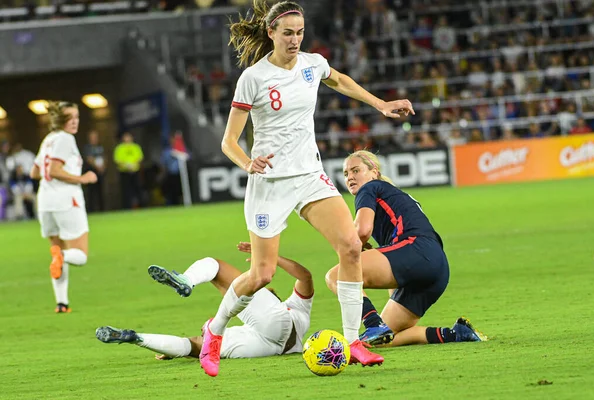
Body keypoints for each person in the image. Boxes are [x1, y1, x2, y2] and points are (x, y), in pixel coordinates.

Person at [200, 0, 415, 377]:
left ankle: (354, 343)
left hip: (309, 176)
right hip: (269, 184)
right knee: (262, 275)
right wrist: (247, 162)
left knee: (351, 246)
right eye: (287, 33)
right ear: (271, 34)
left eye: (300, 32)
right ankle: (214, 332)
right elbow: (228, 142)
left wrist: (380, 104)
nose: (295, 40)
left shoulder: (311, 64)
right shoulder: (254, 77)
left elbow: (339, 80)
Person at [325, 150, 486, 348]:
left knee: (335, 277)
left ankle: (372, 322)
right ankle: (454, 334)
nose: (350, 177)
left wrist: (349, 247)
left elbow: (362, 231)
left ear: (374, 172)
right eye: (346, 173)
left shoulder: (370, 188)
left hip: (415, 249)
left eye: (356, 170)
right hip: (436, 267)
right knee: (379, 341)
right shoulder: (392, 194)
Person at [96, 241, 313, 361]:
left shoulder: (289, 308)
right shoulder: (297, 312)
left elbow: (305, 276)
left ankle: (186, 280)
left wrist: (272, 258)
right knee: (198, 346)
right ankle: (136, 337)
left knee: (216, 266)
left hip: (267, 337)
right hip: (269, 348)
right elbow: (305, 278)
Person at [29, 101, 97, 313]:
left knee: (57, 251)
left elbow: (35, 173)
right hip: (66, 201)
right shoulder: (66, 139)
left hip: (46, 202)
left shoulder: (48, 139)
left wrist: (52, 176)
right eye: (70, 118)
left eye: (77, 117)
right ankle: (63, 258)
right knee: (79, 255)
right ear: (60, 121)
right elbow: (55, 170)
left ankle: (62, 303)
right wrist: (82, 178)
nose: (75, 121)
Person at [113, 132, 144, 209]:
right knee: (126, 191)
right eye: (125, 137)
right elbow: (117, 160)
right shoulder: (119, 148)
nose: (127, 139)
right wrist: (126, 166)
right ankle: (127, 207)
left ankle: (142, 206)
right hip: (124, 172)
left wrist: (133, 165)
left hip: (135, 171)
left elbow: (140, 158)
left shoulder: (136, 147)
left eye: (128, 137)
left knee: (138, 189)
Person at [83, 130, 106, 212]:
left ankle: (102, 210)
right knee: (91, 192)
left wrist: (103, 167)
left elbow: (103, 157)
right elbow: (89, 159)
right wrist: (97, 166)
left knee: (100, 192)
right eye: (93, 137)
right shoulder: (87, 148)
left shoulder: (100, 147)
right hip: (91, 171)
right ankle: (91, 210)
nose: (94, 139)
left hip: (100, 172)